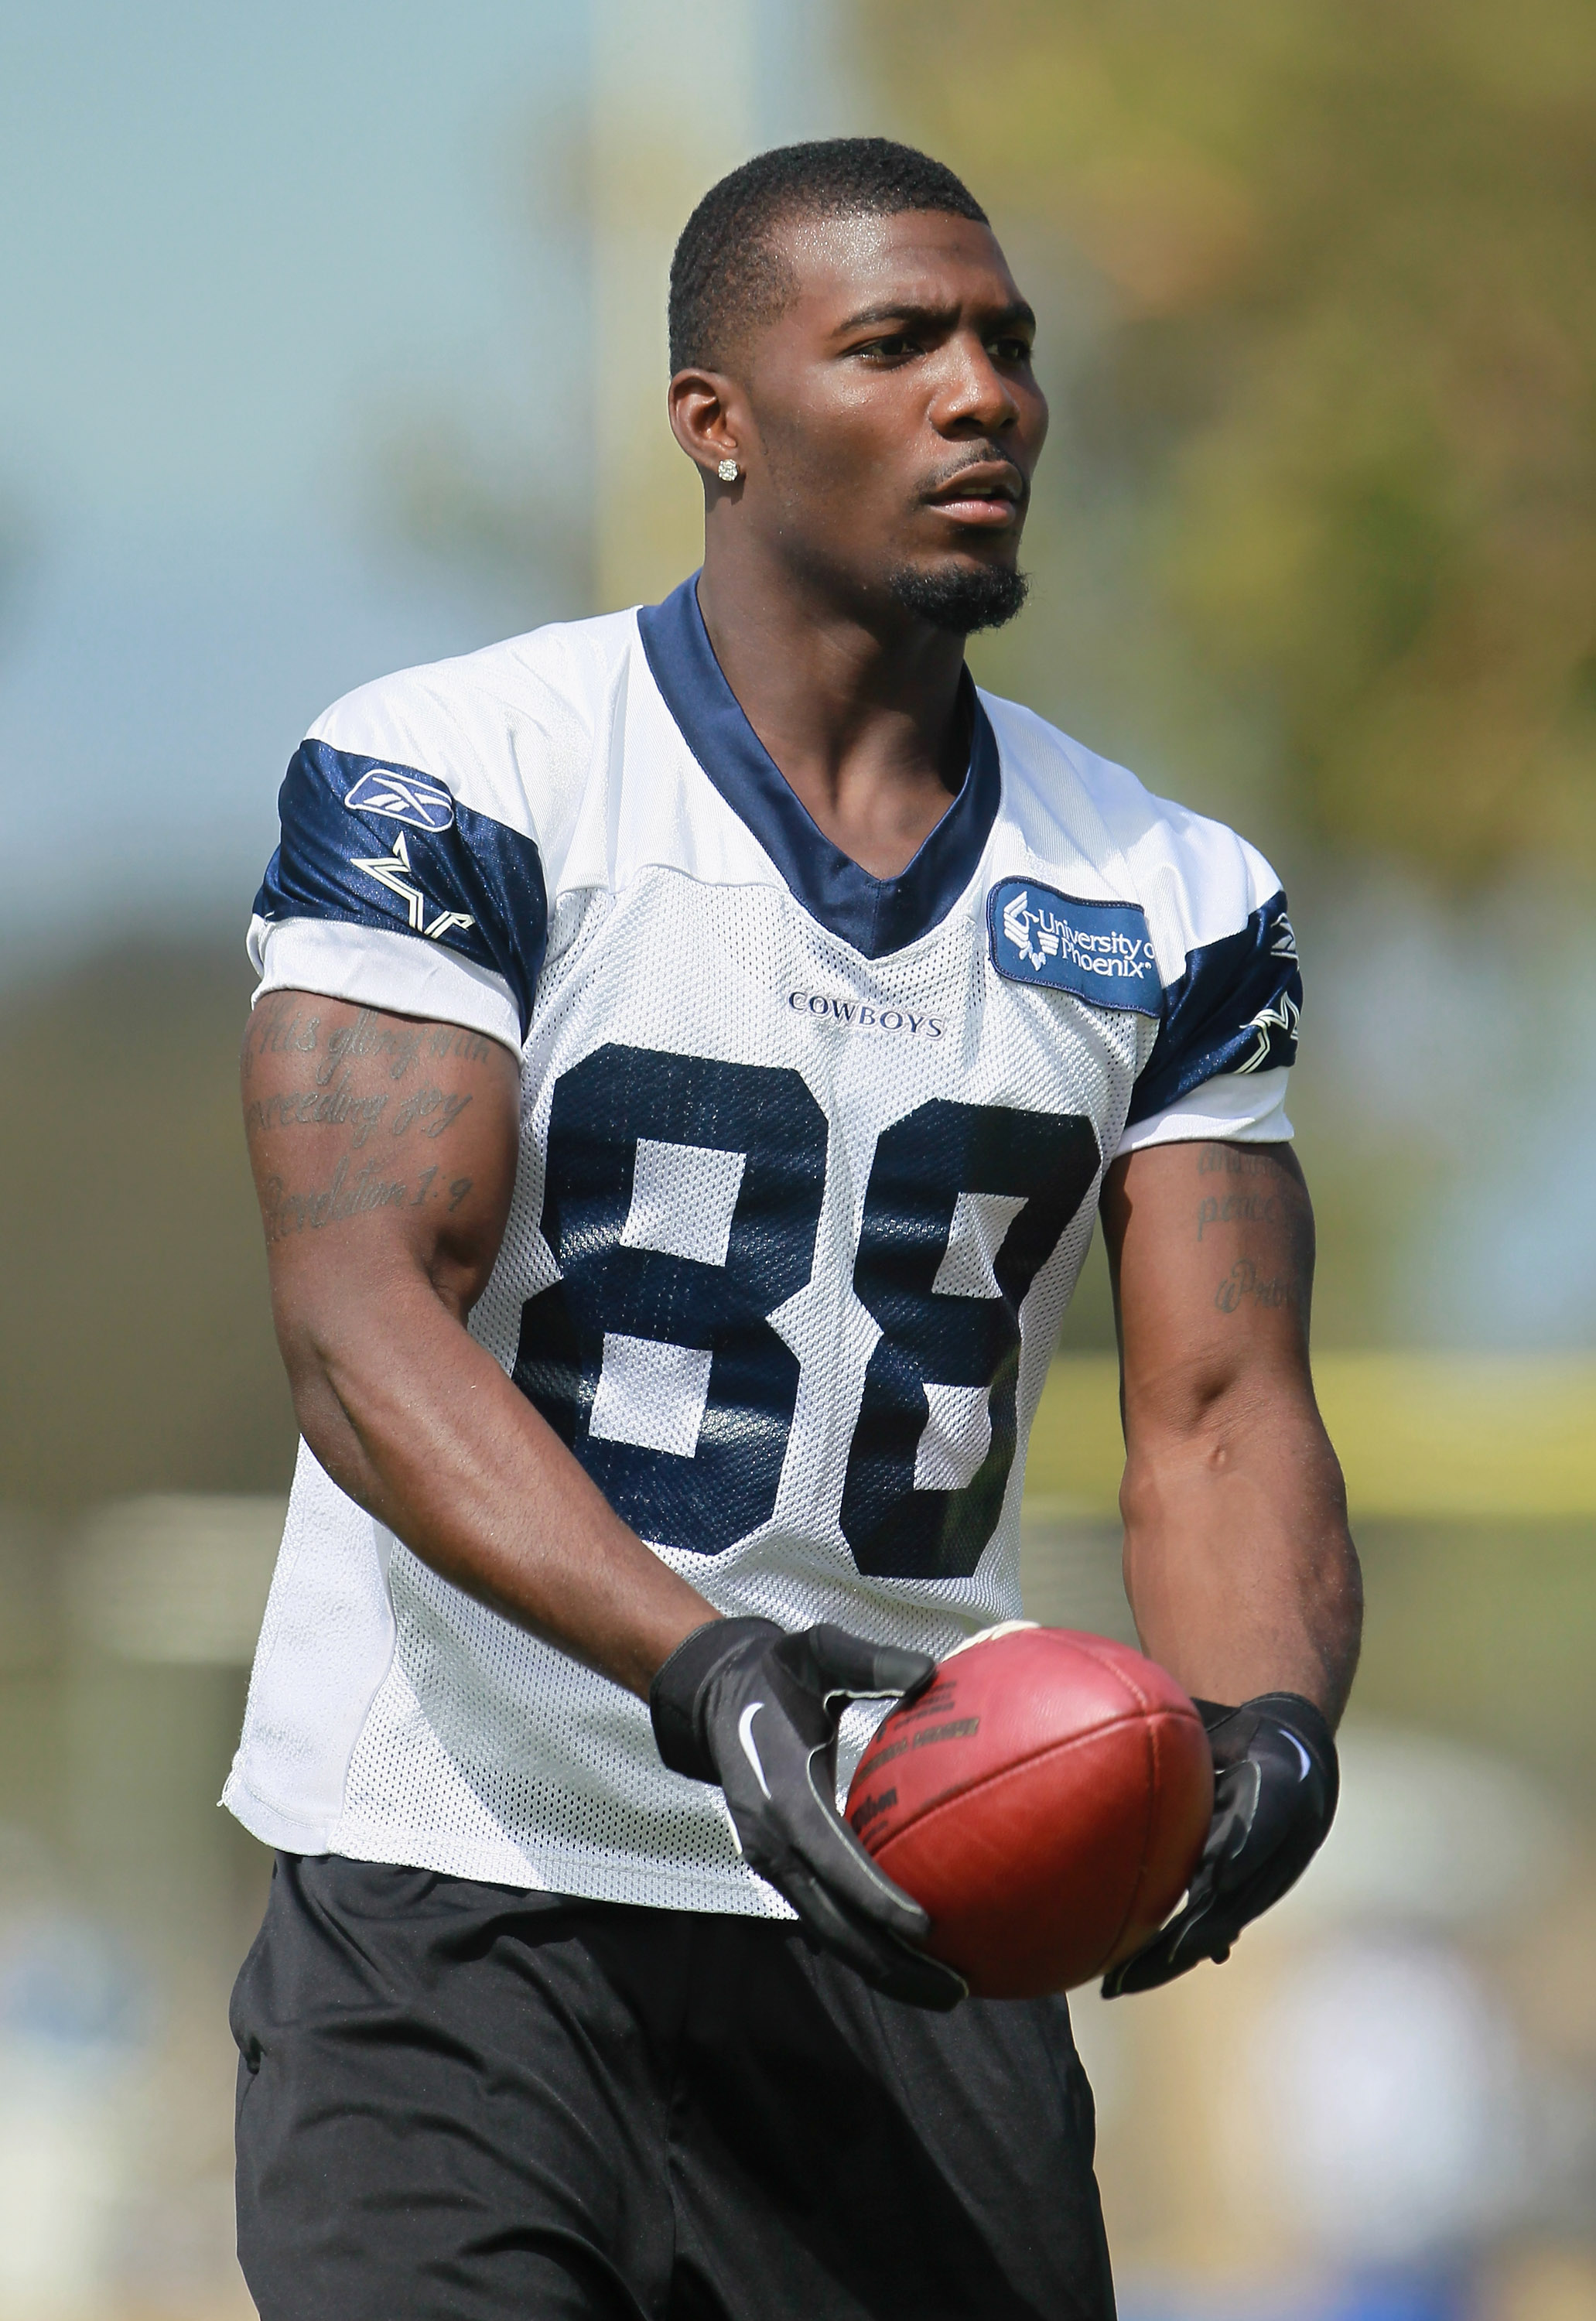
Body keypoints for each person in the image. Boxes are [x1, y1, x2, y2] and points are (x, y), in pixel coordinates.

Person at [227, 137, 1360, 2320]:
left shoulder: (1172, 895)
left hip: (914, 1912)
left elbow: (1223, 1413)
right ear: (714, 423)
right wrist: (702, 1663)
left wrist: (1276, 1719)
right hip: (466, 1894)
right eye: (898, 343)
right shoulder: (458, 774)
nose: (984, 397)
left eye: (1009, 348)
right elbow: (367, 1319)